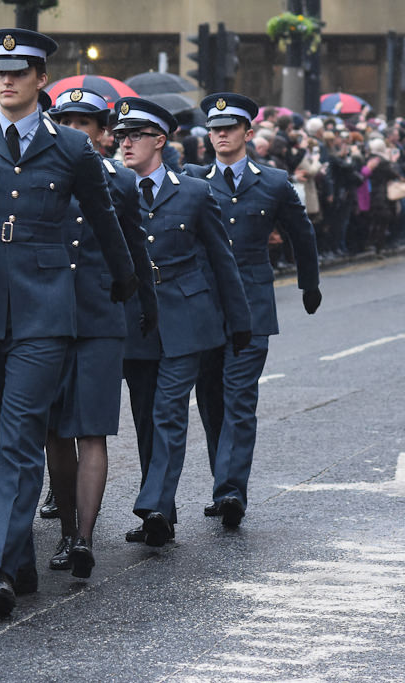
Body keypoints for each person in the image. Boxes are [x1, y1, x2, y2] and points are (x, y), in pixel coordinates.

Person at [0, 29, 137, 616]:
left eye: (19, 71)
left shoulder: (70, 148)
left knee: (18, 439)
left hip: (44, 305)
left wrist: (125, 280)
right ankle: (21, 560)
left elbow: (104, 216)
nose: (6, 80)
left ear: (41, 80)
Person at [110, 97, 251, 548]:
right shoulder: (113, 189)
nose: (125, 142)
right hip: (136, 320)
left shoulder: (193, 192)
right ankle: (164, 516)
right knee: (146, 417)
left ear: (160, 140)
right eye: (120, 135)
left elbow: (222, 260)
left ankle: (152, 504)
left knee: (169, 411)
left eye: (135, 135)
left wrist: (239, 320)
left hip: (187, 318)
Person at [186, 93, 321, 528]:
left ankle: (230, 491)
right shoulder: (192, 178)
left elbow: (302, 234)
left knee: (240, 398)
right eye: (215, 128)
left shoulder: (275, 181)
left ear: (248, 133)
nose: (221, 134)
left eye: (230, 128)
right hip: (204, 304)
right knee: (210, 400)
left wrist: (309, 283)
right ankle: (222, 481)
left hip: (253, 303)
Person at [42, 88, 158, 578]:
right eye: (65, 121)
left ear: (102, 133)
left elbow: (134, 251)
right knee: (53, 433)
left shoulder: (122, 181)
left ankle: (85, 537)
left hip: (101, 318)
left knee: (92, 431)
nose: (74, 130)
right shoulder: (37, 176)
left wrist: (147, 309)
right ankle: (67, 530)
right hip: (44, 318)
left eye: (84, 123)